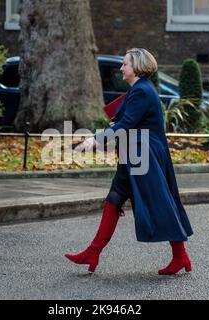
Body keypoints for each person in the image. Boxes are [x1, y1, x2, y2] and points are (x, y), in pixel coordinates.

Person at [64, 48, 193, 275]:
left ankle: (180, 256)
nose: (122, 68)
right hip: (136, 153)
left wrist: (95, 140)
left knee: (160, 203)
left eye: (125, 64)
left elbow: (126, 124)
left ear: (137, 67)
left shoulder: (142, 91)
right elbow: (123, 122)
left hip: (145, 155)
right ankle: (93, 252)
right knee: (115, 199)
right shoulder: (139, 90)